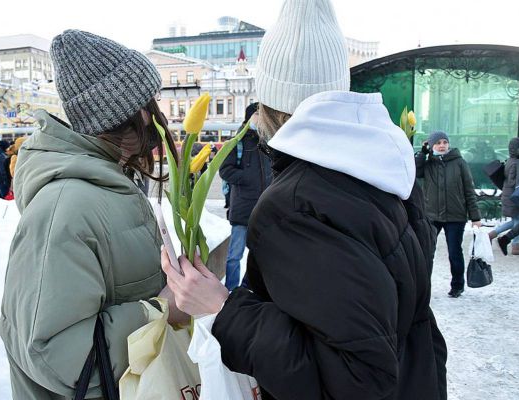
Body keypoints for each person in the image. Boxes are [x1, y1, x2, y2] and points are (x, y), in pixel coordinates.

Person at [161, 1, 447, 399]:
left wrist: (224, 311)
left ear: (268, 101)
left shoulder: (296, 205)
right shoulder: (383, 170)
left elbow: (357, 378)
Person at [0, 30, 187, 399]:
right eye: (151, 101)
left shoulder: (110, 183)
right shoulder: (66, 208)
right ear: (133, 114)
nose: (157, 113)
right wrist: (163, 310)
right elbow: (56, 355)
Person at [416, 130, 482, 297]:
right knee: (427, 252)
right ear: (432, 145)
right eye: (438, 143)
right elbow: (415, 171)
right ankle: (424, 288)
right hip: (431, 216)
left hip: (456, 216)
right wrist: (422, 153)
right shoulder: (428, 162)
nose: (442, 145)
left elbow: (469, 190)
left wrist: (476, 217)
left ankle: (457, 285)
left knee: (454, 252)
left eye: (445, 142)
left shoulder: (460, 162)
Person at [219, 102, 272, 290]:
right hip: (242, 207)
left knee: (261, 255)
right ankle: (231, 289)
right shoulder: (238, 142)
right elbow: (225, 170)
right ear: (251, 117)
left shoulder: (268, 142)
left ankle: (251, 288)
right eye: (260, 114)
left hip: (264, 208)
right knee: (235, 255)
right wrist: (248, 178)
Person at [489, 137, 519, 255]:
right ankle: (515, 246)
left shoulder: (510, 160)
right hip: (514, 196)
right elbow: (515, 182)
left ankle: (492, 235)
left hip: (509, 194)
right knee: (518, 220)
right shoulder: (517, 163)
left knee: (516, 221)